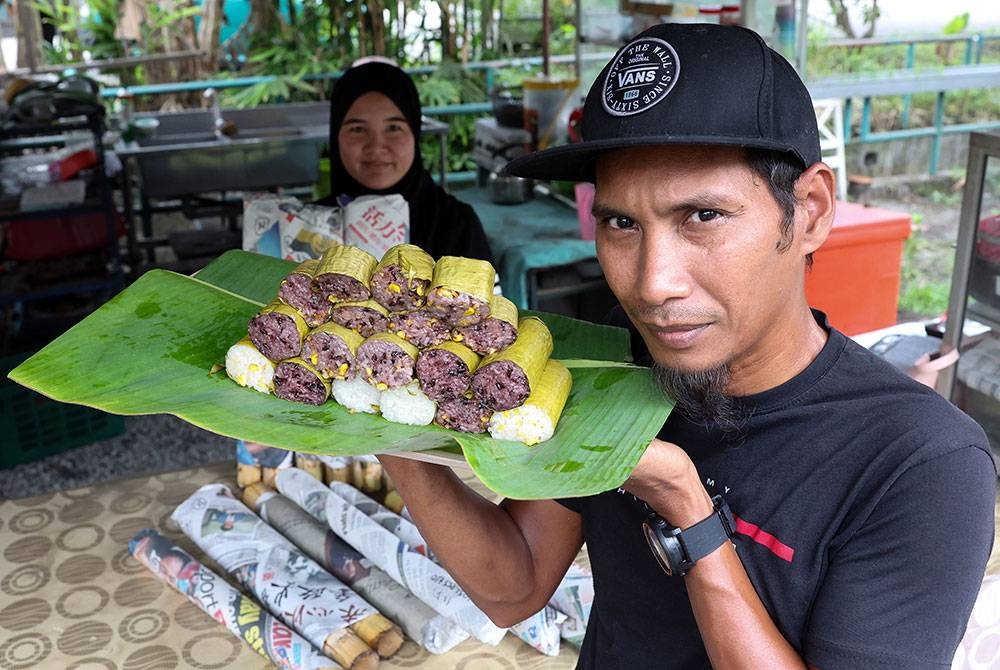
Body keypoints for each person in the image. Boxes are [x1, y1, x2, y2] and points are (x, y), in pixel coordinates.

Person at [377, 22, 997, 669]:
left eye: (701, 216)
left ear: (809, 210)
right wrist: (375, 421)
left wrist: (689, 514)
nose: (653, 283)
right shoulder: (622, 362)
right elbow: (516, 585)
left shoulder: (922, 464)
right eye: (622, 223)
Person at [316, 59, 494, 264]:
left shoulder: (458, 224)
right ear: (336, 137)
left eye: (393, 128)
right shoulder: (303, 229)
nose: (376, 146)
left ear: (415, 134)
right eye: (358, 129)